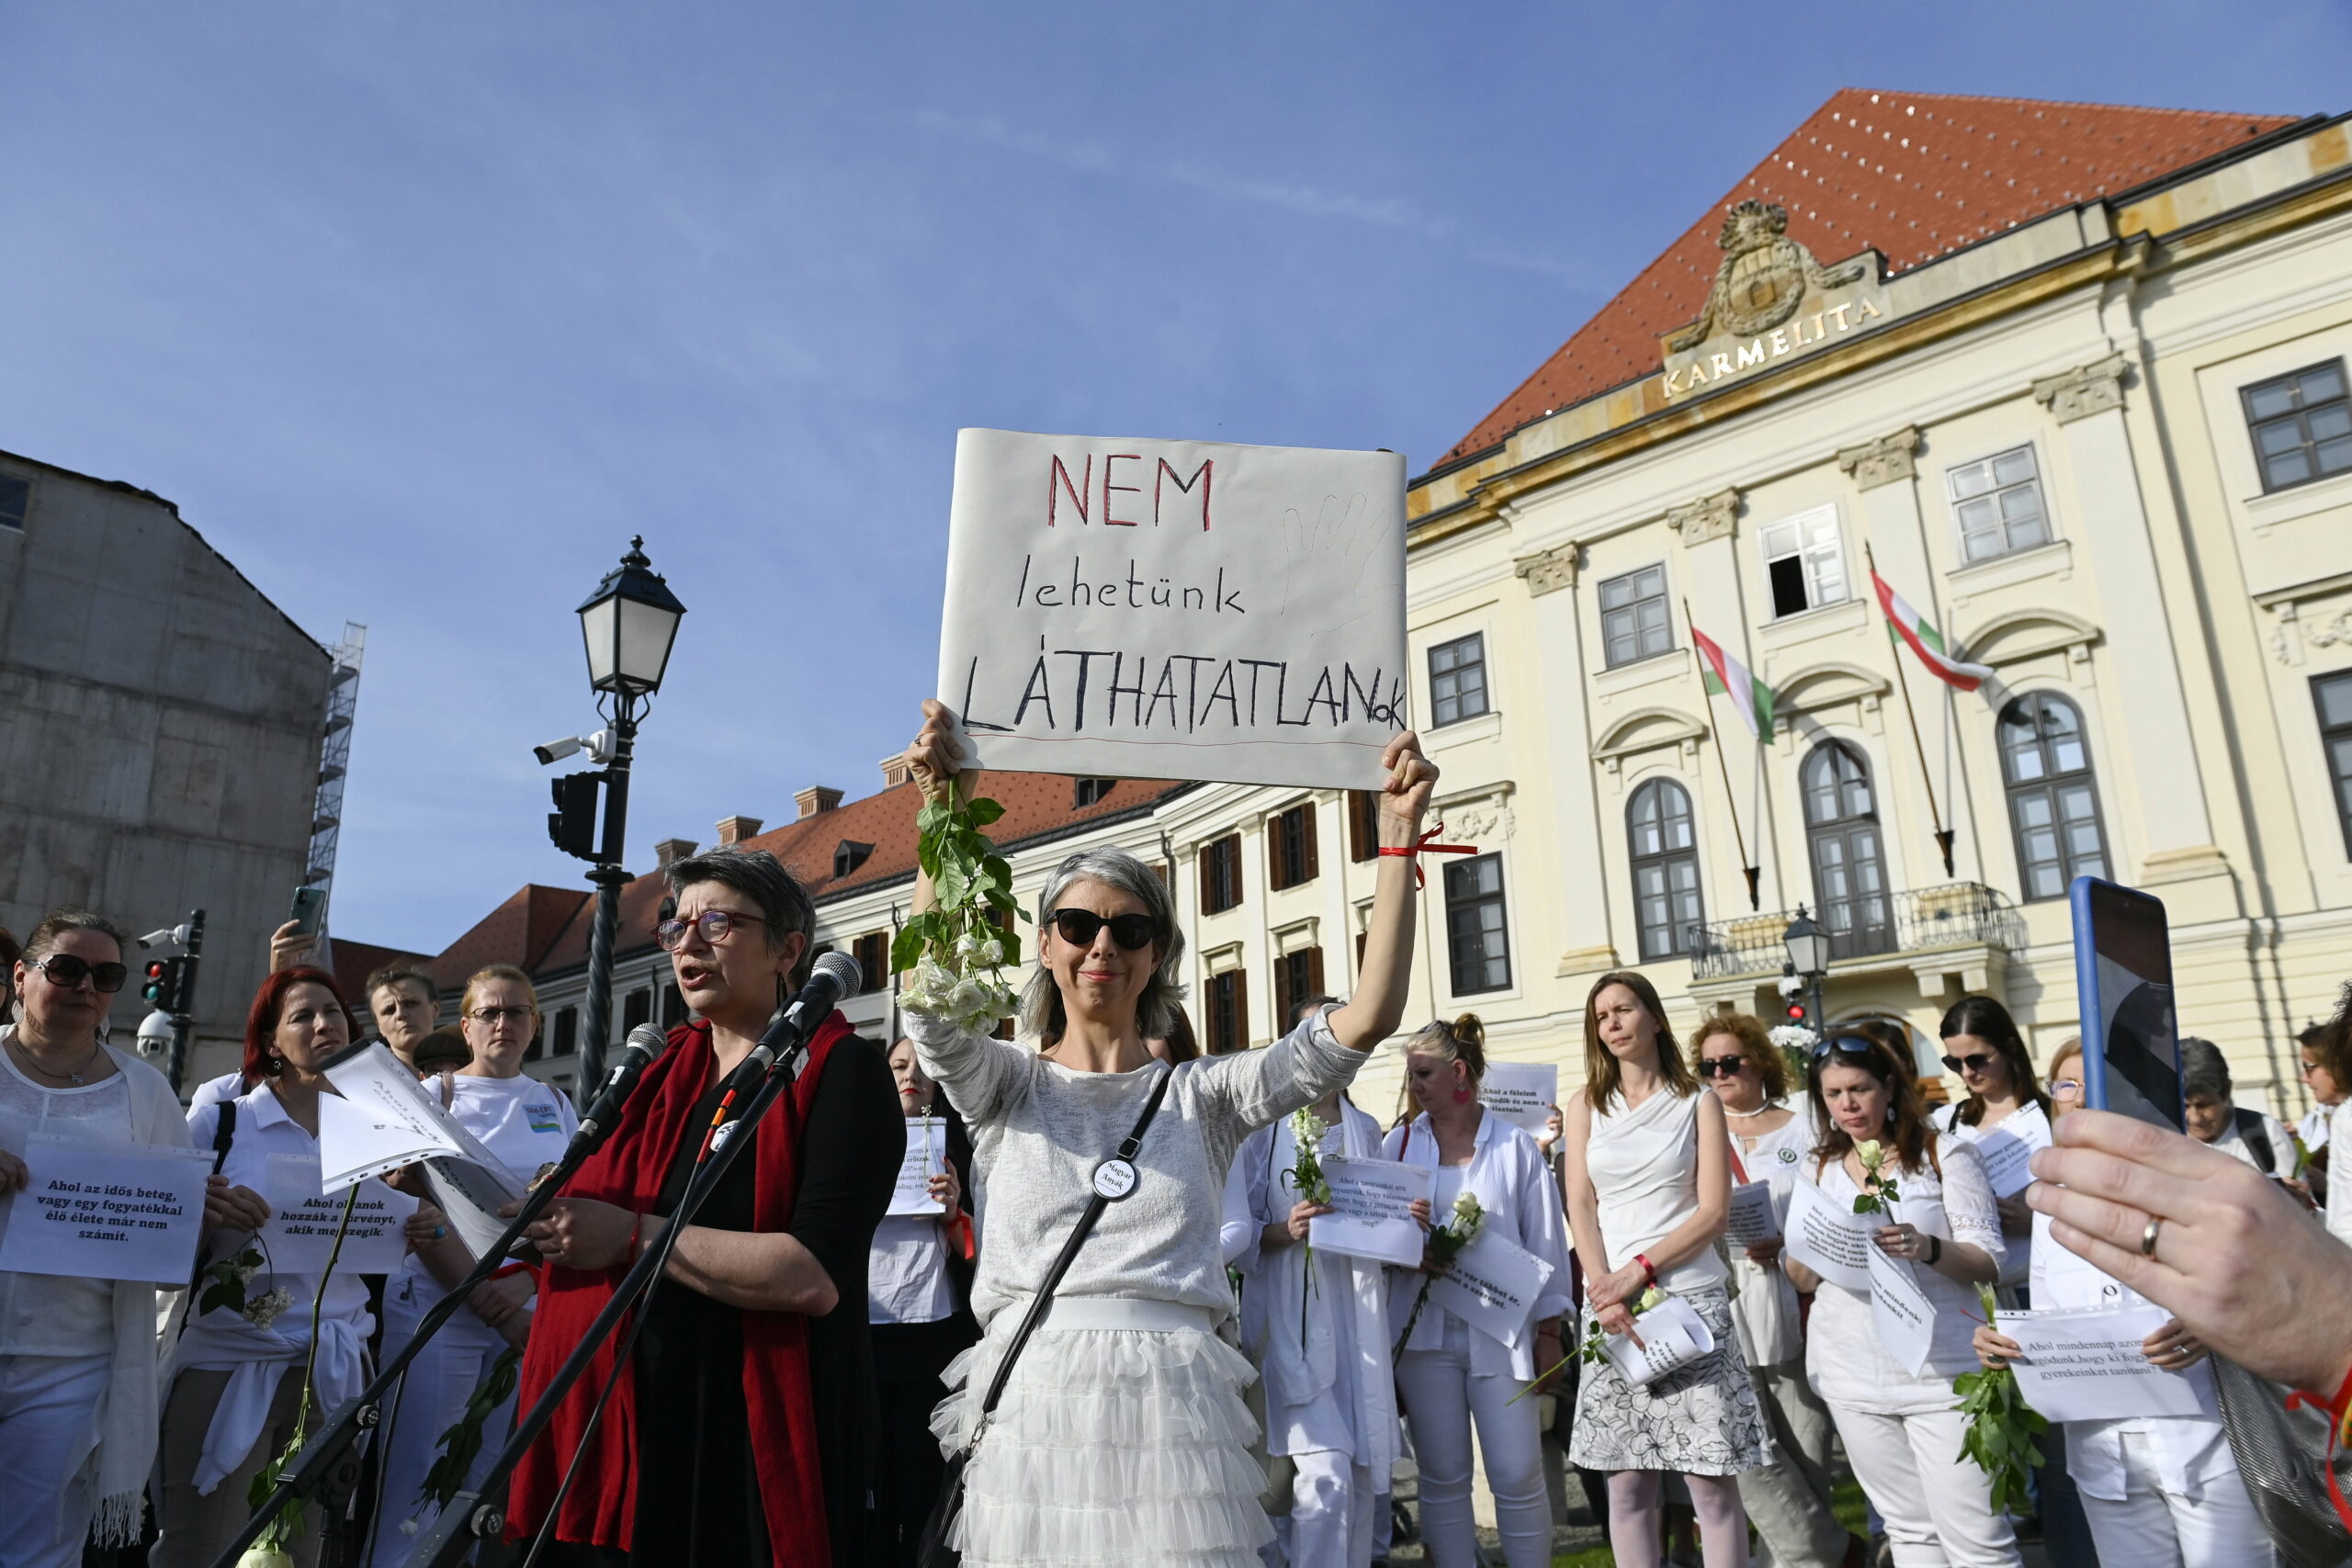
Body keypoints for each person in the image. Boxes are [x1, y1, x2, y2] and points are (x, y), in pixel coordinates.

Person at [898, 699, 1436, 1568]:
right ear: (1045, 944)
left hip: (1176, 1401)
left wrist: (1398, 838)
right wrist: (942, 816)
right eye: (1078, 924)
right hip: (1041, 1401)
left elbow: (1366, 1019)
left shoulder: (1206, 1093)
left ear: (1156, 953)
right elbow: (926, 1002)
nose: (1101, 942)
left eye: (1129, 927)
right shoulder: (1008, 1082)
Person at [509, 844, 901, 1568]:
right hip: (634, 1415)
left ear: (788, 948)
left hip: (756, 1425)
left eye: (716, 923)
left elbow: (812, 1273)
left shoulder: (845, 1072)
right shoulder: (659, 1070)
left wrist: (628, 1235)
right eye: (676, 926)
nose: (686, 942)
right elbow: (598, 1206)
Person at [0, 912, 251, 1568]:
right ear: (21, 977)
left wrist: (193, 1218)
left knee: (38, 1546)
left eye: (106, 974)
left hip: (72, 1358)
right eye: (67, 968)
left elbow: (165, 1243)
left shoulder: (143, 1089)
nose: (87, 984)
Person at [1972, 1040, 2273, 1567]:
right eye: (2067, 1086)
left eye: (2095, 1084)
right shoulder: (2049, 1199)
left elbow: (2260, 1289)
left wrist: (2209, 1328)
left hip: (2206, 1444)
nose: (2081, 1098)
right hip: (2106, 1456)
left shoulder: (2192, 1177)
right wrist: (2002, 1346)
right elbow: (2047, 1323)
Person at [155, 967, 384, 1568]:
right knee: (200, 1547)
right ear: (270, 1039)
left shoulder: (373, 1133)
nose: (323, 1023)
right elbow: (153, 1244)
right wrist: (201, 1211)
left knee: (297, 1554)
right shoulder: (221, 1122)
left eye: (333, 1011)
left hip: (330, 1367)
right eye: (303, 1014)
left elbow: (393, 1243)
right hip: (229, 1360)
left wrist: (422, 1221)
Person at [1778, 1032, 2017, 1568]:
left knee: (1979, 1539)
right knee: (1909, 1533)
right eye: (1833, 1093)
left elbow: (1989, 1260)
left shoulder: (1942, 1153)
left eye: (1859, 1088)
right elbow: (1800, 1277)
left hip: (1946, 1371)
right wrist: (1815, 1250)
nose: (1848, 1104)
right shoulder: (1818, 1166)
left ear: (1888, 1087)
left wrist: (1926, 1246)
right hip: (1852, 1370)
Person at [366, 965, 578, 1564]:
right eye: (489, 1012)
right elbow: (419, 1218)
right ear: (466, 1025)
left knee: (478, 1491)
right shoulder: (433, 1098)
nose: (503, 1023)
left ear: (535, 1025)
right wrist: (491, 1304)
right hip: (442, 1309)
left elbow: (567, 1213)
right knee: (412, 1491)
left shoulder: (556, 1102)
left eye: (517, 1012)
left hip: (525, 1312)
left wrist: (527, 1291)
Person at [1561, 974, 1764, 1568]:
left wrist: (1640, 1269)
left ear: (1654, 1017)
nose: (1613, 1023)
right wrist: (1605, 1289)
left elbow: (1714, 1210)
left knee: (1709, 1480)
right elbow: (1580, 1203)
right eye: (1602, 1016)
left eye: (1624, 1009)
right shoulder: (1585, 1104)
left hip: (1688, 1299)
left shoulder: (1698, 1100)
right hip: (1610, 1308)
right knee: (1627, 1483)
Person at [1385, 1015, 1571, 1568]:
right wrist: (1407, 1246)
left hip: (1502, 1333)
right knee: (1442, 1476)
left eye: (1424, 1073)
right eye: (1411, 1074)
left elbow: (1546, 1245)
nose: (1414, 1085)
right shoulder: (1397, 1143)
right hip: (1424, 1339)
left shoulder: (1515, 1147)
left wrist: (1550, 1332)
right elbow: (1372, 1231)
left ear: (1459, 1073)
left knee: (1517, 1473)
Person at [1225, 998, 1399, 1568]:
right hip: (1292, 1320)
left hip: (1358, 1323)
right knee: (1324, 1477)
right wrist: (1283, 1229)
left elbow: (1381, 1222)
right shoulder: (1264, 1132)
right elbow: (1237, 1225)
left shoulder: (1365, 1129)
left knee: (1360, 1473)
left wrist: (1407, 1223)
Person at [1691, 1014, 1850, 1568]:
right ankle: (1832, 1550)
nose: (1719, 1073)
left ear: (1758, 1060)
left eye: (1729, 1062)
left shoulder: (1804, 1122)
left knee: (1807, 1453)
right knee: (1746, 1454)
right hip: (1726, 1304)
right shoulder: (1693, 1129)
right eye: (1707, 1066)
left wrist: (1791, 1243)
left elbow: (1832, 1198)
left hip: (1796, 1299)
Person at [869, 1038, 978, 1568]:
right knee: (870, 1486)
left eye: (921, 1068)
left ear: (939, 1085)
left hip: (931, 1332)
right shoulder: (852, 1142)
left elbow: (976, 1252)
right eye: (897, 1065)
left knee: (921, 1486)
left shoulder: (956, 1152)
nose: (909, 1075)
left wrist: (953, 1211)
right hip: (863, 1330)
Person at [1930, 998, 2050, 1294]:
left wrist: (2035, 1222)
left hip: (2041, 1284)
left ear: (2010, 1047)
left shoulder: (2054, 1116)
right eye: (1954, 1063)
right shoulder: (1944, 1123)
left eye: (1977, 1059)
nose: (1967, 1072)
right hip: (1975, 1291)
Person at [2177, 1038, 2294, 1180]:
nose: (2195, 1118)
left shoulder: (2266, 1132)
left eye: (2204, 1105)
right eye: (2184, 1106)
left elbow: (2300, 1198)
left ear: (2226, 1092)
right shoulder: (2165, 1142)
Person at [2297, 1020, 2339, 1210]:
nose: (2304, 1078)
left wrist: (2328, 1183)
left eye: (2309, 1067)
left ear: (2335, 1067)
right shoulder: (2324, 1116)